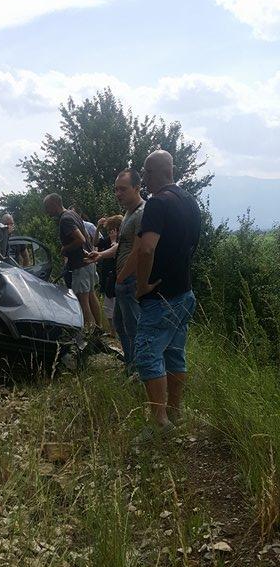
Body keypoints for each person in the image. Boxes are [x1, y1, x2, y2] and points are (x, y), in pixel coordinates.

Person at [135, 150, 201, 434]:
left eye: (147, 172)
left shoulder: (157, 204)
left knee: (148, 353)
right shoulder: (189, 201)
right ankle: (176, 412)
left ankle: (160, 421)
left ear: (160, 172)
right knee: (175, 352)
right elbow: (193, 244)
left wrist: (142, 284)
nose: (145, 178)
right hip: (184, 292)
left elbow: (147, 247)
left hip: (159, 295)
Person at [44, 194, 103, 328]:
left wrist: (65, 249)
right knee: (92, 295)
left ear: (54, 204)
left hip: (80, 264)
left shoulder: (65, 219)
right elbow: (86, 236)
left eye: (47, 207)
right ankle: (99, 329)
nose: (47, 211)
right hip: (89, 261)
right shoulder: (73, 214)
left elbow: (80, 239)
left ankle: (90, 333)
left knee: (83, 300)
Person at [111, 169, 145, 372]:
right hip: (122, 279)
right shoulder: (128, 212)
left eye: (122, 189)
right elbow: (122, 245)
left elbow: (139, 250)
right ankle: (130, 362)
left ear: (137, 188)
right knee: (119, 323)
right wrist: (101, 255)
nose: (118, 194)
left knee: (133, 326)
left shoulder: (142, 213)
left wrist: (122, 277)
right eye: (116, 189)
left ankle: (139, 369)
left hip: (130, 279)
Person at [93, 215, 123, 337]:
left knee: (115, 305)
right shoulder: (107, 239)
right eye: (108, 230)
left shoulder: (123, 240)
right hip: (107, 276)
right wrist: (98, 228)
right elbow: (95, 243)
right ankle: (113, 331)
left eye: (111, 229)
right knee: (108, 305)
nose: (110, 232)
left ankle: (118, 332)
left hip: (117, 276)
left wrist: (114, 241)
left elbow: (116, 253)